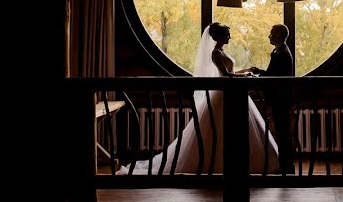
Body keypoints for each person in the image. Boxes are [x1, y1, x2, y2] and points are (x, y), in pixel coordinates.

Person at [118, 22, 280, 175]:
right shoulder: (216, 53)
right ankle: (218, 164)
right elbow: (225, 75)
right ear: (220, 37)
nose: (229, 37)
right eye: (227, 34)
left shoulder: (222, 51)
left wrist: (245, 71)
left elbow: (231, 72)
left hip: (231, 92)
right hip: (223, 95)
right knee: (218, 129)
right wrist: (245, 75)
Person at [249, 24, 295, 174]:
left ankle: (287, 167)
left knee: (283, 133)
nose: (269, 37)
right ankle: (285, 165)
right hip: (279, 99)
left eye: (271, 34)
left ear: (279, 36)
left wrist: (259, 76)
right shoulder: (279, 51)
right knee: (282, 132)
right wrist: (260, 72)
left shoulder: (282, 53)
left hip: (280, 99)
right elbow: (272, 73)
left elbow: (274, 77)